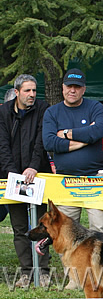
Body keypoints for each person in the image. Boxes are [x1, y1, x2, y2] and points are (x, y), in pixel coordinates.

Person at [42, 68, 103, 233]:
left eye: (77, 87)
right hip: (66, 179)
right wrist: (85, 139)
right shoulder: (52, 112)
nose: (73, 90)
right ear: (62, 87)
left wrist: (65, 134)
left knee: (99, 228)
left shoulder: (95, 107)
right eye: (69, 86)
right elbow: (49, 142)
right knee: (64, 231)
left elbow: (98, 131)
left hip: (95, 178)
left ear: (84, 89)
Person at [0, 74, 51, 287]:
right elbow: (2, 144)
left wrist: (33, 166)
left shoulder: (43, 109)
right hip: (12, 177)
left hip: (37, 175)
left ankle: (44, 271)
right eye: (27, 91)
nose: (32, 95)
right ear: (17, 91)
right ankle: (26, 272)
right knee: (19, 225)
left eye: (34, 90)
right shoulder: (3, 112)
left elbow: (41, 142)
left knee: (41, 225)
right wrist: (12, 172)